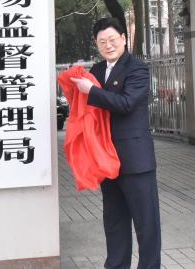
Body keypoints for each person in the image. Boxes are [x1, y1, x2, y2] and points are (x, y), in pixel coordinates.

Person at [70, 17, 161, 269]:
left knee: (146, 225)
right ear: (96, 44)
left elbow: (127, 104)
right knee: (114, 223)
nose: (108, 45)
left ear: (123, 39)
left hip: (136, 159)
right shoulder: (97, 71)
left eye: (112, 40)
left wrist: (92, 92)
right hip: (106, 160)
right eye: (102, 42)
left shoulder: (137, 68)